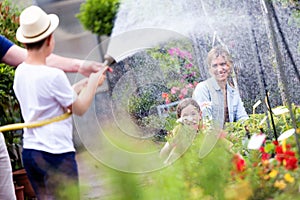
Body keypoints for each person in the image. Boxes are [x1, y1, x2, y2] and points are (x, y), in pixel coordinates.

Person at [0, 14, 110, 200]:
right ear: (50, 40)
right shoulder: (54, 75)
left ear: (25, 43)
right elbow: (79, 108)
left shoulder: (21, 72)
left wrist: (81, 85)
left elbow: (51, 99)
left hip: (31, 154)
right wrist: (92, 83)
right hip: (56, 154)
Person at [192, 46, 248, 129]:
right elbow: (207, 124)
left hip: (229, 138)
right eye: (215, 66)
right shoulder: (203, 89)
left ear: (229, 66)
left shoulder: (232, 92)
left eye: (223, 64)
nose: (220, 69)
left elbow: (243, 118)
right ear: (209, 69)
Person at [160, 98, 202, 164]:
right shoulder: (178, 131)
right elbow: (162, 154)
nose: (190, 119)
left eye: (193, 114)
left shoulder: (205, 130)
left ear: (200, 115)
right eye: (185, 116)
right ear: (180, 119)